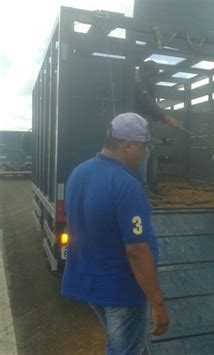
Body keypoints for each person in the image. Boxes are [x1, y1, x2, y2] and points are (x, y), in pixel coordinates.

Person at [61, 112, 169, 354]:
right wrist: (157, 302)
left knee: (124, 344)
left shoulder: (79, 172)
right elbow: (136, 250)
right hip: (121, 290)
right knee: (124, 350)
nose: (145, 154)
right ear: (127, 145)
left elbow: (76, 223)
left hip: (91, 283)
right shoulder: (126, 184)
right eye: (143, 147)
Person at [135, 60, 179, 197]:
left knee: (151, 152)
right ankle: (143, 191)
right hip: (135, 127)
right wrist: (166, 117)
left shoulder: (148, 85)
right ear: (142, 72)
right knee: (144, 154)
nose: (155, 78)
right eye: (152, 74)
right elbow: (147, 102)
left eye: (157, 75)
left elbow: (150, 108)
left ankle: (153, 187)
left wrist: (158, 117)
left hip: (145, 125)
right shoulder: (137, 84)